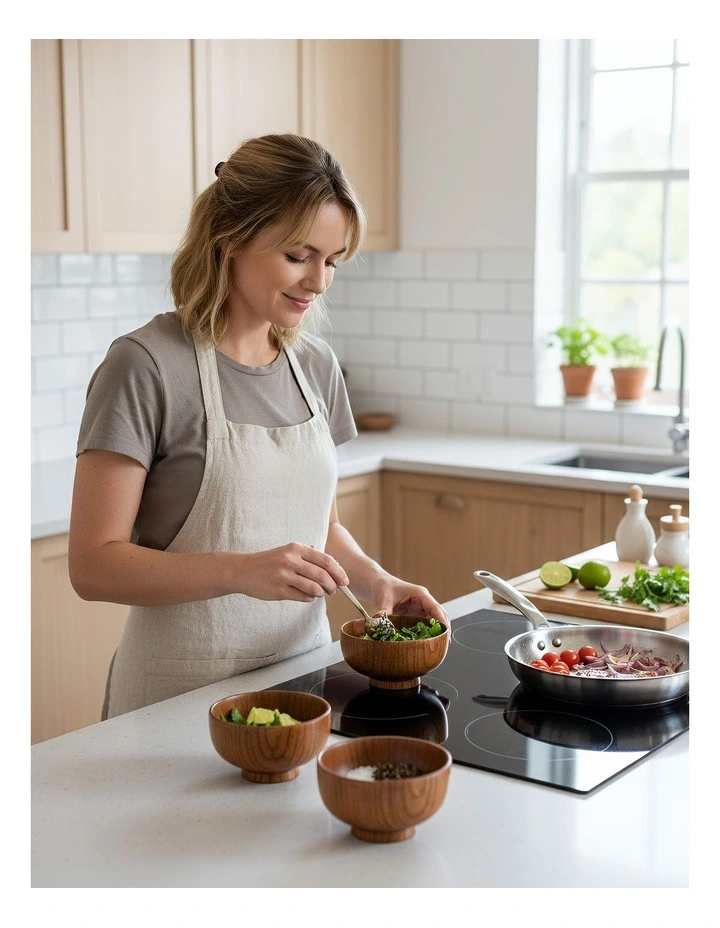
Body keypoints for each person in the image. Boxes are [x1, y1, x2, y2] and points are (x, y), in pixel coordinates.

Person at [68, 133, 449, 720]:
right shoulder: (144, 366)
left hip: (301, 683)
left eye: (333, 261)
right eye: (298, 256)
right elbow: (94, 566)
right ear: (230, 237)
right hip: (175, 696)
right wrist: (240, 570)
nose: (318, 282)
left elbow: (316, 528)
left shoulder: (315, 365)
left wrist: (377, 584)